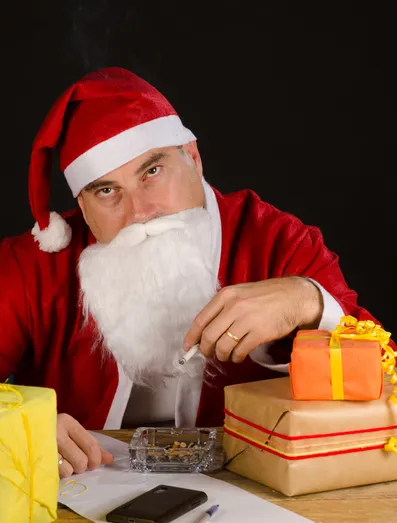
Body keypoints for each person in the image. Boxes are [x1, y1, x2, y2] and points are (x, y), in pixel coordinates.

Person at [0, 67, 387, 478]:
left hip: (252, 493)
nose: (140, 214)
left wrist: (308, 304)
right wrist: (18, 422)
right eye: (107, 191)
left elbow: (384, 372)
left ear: (194, 158)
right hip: (78, 498)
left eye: (152, 171)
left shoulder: (277, 241)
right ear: (81, 203)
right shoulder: (32, 264)